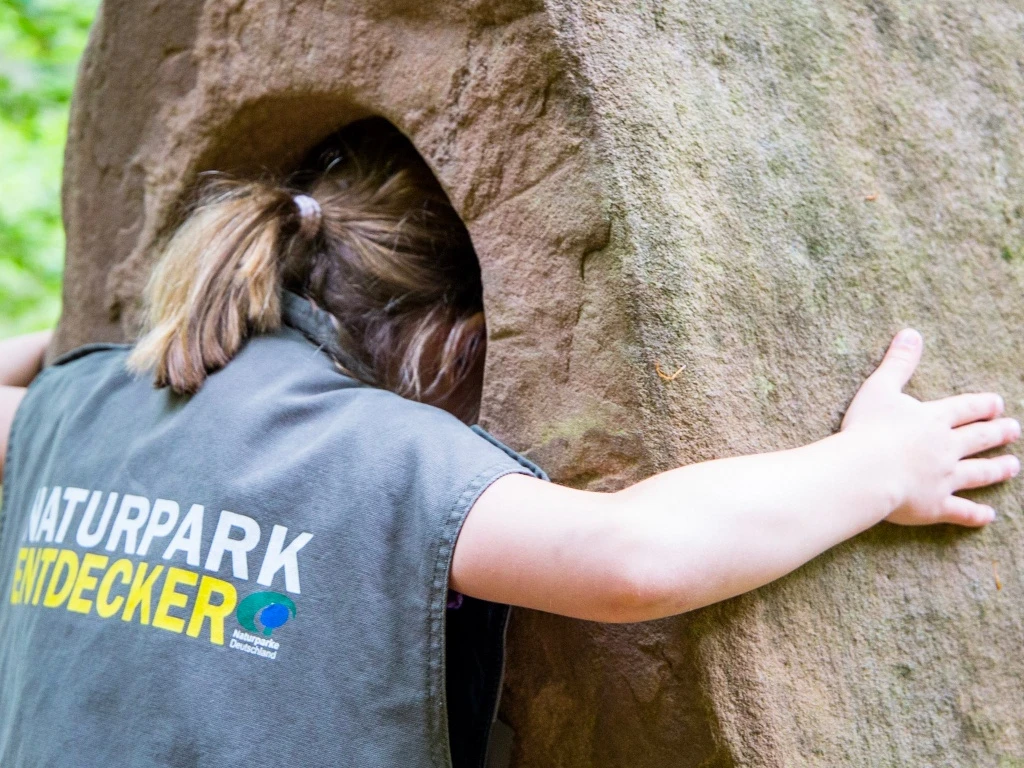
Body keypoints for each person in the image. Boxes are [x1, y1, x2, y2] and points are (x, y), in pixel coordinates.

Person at [0, 118, 1018, 768]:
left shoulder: (64, 405)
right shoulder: (389, 459)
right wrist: (881, 465)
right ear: (448, 343)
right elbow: (635, 558)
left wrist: (127, 331)